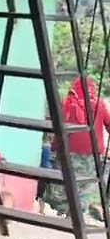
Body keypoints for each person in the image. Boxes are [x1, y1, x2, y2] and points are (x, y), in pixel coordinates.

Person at [44, 76, 110, 221]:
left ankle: (64, 211)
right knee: (84, 185)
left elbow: (58, 128)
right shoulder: (99, 104)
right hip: (93, 153)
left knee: (63, 183)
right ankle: (78, 214)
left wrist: (54, 146)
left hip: (68, 152)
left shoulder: (66, 104)